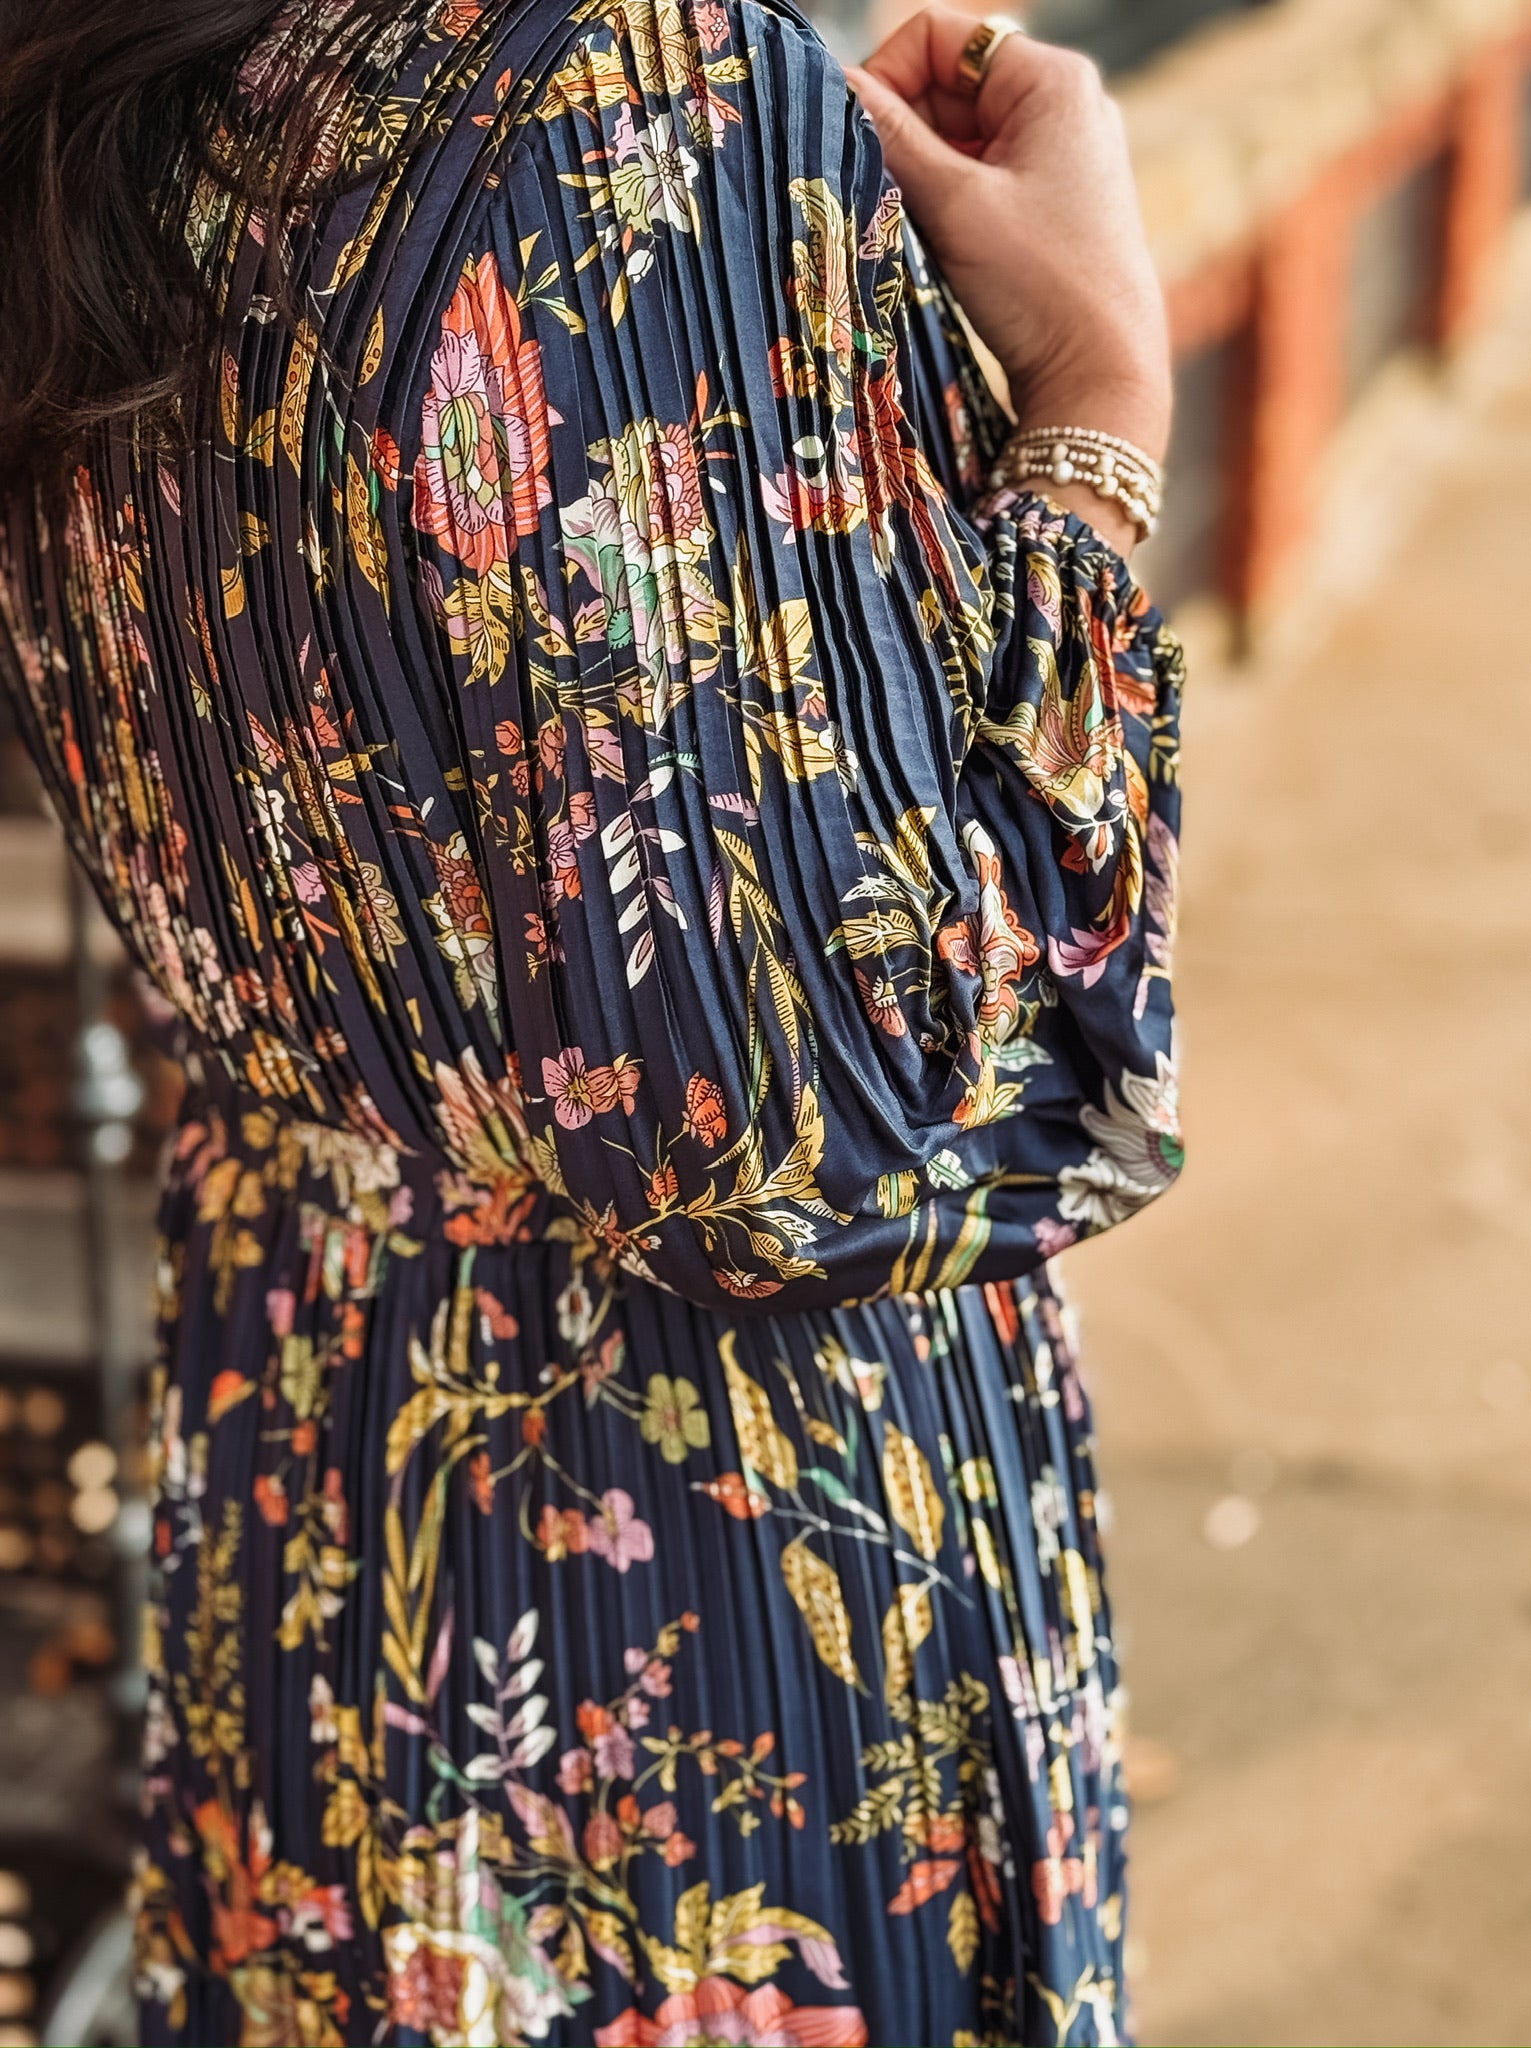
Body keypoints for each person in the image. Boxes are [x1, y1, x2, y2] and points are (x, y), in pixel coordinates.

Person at [0, 0, 1183, 2038]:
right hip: (701, 1617)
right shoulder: (618, 90)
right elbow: (861, 1143)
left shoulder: (87, 99)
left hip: (302, 1491)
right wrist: (1093, 403)